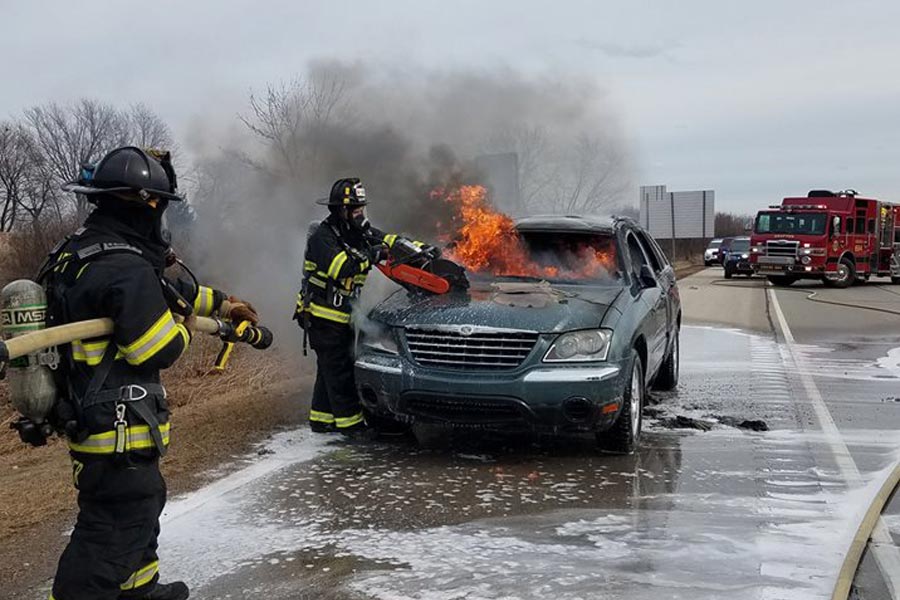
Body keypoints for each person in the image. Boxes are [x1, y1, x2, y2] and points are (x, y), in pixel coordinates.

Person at [37, 146, 258, 600]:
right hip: (119, 429)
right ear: (145, 205)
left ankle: (140, 590)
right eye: (159, 206)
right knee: (117, 524)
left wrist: (222, 303)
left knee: (136, 514)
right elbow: (157, 348)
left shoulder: (82, 252)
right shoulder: (124, 267)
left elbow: (167, 290)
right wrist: (182, 325)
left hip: (90, 420)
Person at [294, 177, 437, 436]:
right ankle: (353, 427)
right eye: (356, 209)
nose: (361, 214)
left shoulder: (354, 232)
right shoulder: (323, 237)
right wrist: (372, 255)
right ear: (342, 210)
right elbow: (340, 268)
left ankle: (321, 420)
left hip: (340, 317)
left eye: (362, 209)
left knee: (328, 371)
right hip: (322, 317)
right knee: (341, 373)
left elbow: (388, 239)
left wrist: (419, 248)